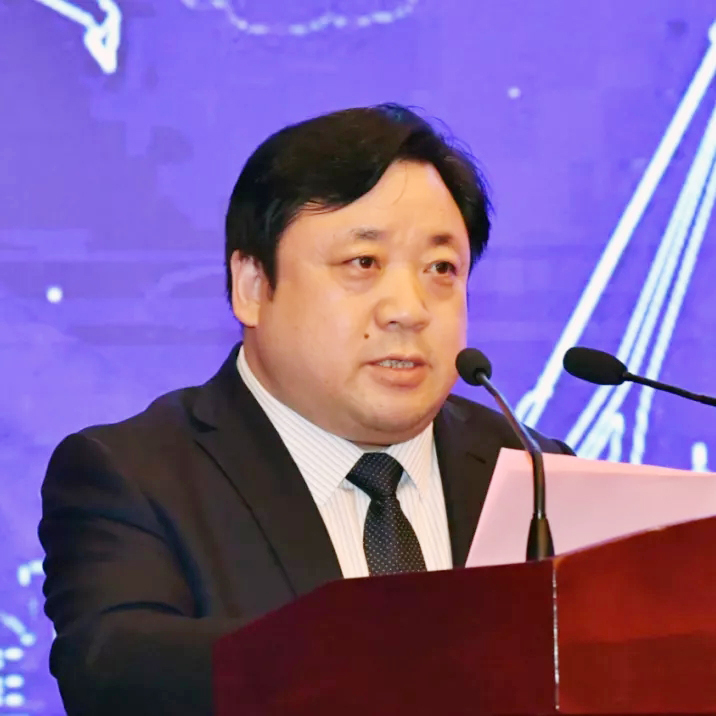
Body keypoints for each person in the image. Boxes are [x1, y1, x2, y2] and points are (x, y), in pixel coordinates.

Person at [39, 104, 571, 715]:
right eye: (363, 263)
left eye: (441, 269)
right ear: (253, 287)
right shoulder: (135, 476)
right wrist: (398, 656)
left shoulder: (535, 472)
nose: (409, 309)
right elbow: (116, 676)